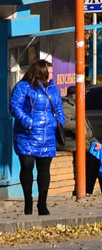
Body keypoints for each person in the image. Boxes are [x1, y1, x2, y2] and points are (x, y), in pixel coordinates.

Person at [8, 60, 65, 216]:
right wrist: (28, 122)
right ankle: (28, 200)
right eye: (49, 72)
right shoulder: (23, 87)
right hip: (27, 135)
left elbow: (59, 107)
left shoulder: (52, 88)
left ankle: (42, 203)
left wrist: (59, 122)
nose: (52, 75)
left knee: (44, 169)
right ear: (40, 72)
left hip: (47, 135)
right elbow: (14, 107)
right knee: (27, 166)